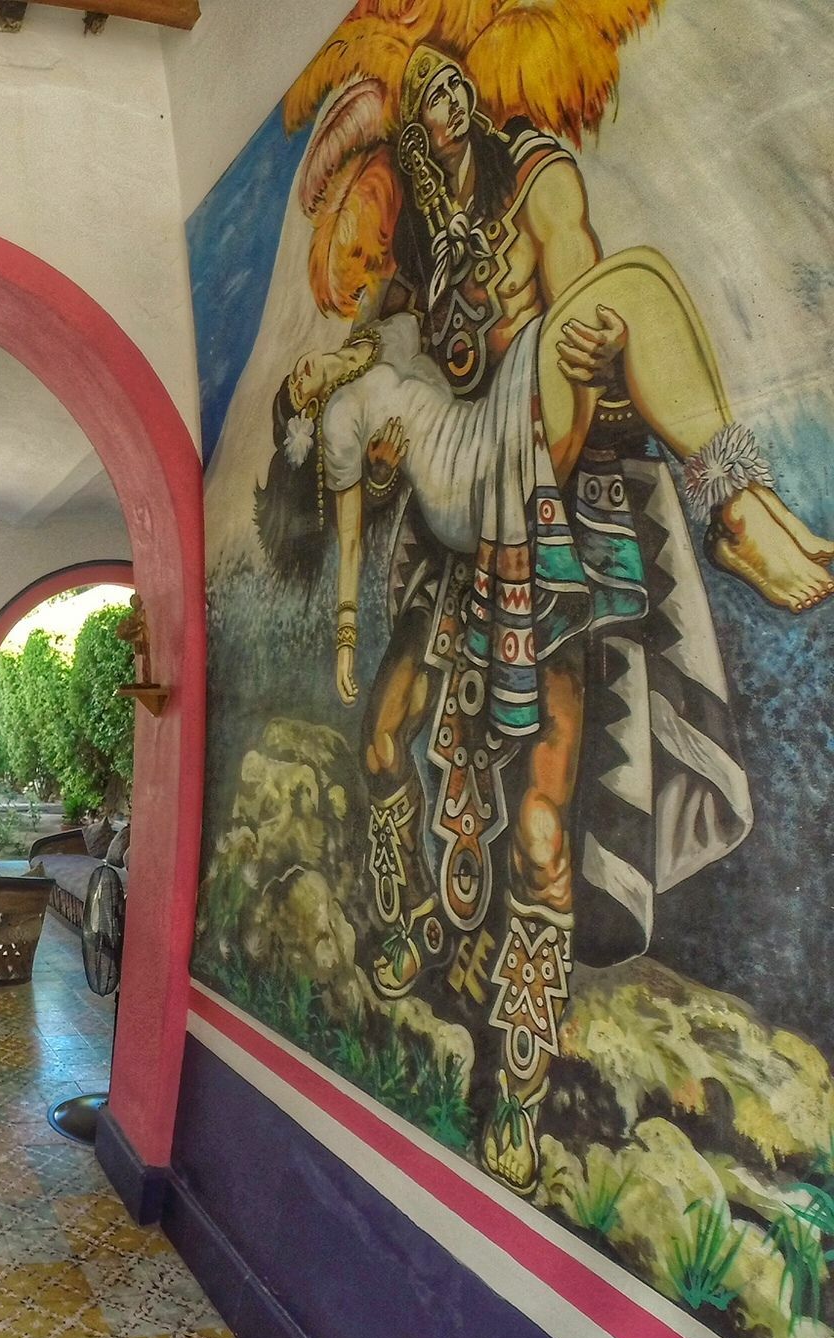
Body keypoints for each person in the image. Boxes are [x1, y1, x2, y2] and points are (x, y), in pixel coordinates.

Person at [253, 43, 811, 1195]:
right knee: (379, 740)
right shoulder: (413, 250)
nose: (444, 98)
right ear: (413, 127)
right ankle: (406, 914)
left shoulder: (536, 179)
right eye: (425, 93)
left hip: (545, 470)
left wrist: (571, 357)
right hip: (462, 496)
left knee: (545, 826)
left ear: (479, 103)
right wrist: (319, 395)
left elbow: (574, 272)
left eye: (456, 83)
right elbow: (363, 361)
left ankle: (514, 1075)